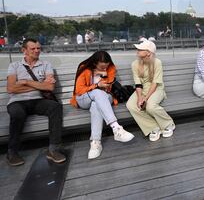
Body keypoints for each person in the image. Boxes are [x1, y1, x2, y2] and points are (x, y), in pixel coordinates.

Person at [6, 38, 66, 166]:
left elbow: (49, 87)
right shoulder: (14, 66)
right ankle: (12, 152)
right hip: (17, 101)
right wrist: (40, 84)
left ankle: (54, 150)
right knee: (17, 114)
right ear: (24, 50)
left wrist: (26, 82)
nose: (37, 51)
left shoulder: (46, 65)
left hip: (38, 100)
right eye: (33, 48)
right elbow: (11, 88)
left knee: (55, 107)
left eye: (38, 48)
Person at [70, 51, 134, 159]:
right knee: (97, 92)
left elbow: (108, 88)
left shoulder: (111, 68)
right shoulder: (84, 68)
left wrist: (104, 77)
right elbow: (79, 90)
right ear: (95, 63)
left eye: (106, 66)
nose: (105, 69)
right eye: (102, 67)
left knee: (96, 105)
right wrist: (96, 85)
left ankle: (95, 143)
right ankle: (116, 128)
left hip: (104, 97)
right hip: (84, 98)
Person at [126, 41, 175, 141]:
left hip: (156, 88)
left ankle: (168, 124)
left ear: (148, 52)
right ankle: (153, 127)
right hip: (141, 89)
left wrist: (145, 99)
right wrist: (140, 98)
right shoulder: (135, 64)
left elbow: (155, 83)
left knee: (150, 106)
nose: (137, 50)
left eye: (140, 49)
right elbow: (138, 83)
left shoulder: (157, 62)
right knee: (131, 105)